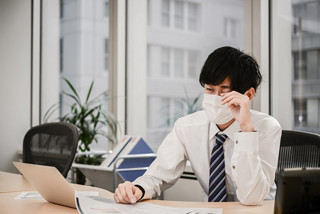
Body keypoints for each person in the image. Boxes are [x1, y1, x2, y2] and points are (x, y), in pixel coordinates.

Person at [113, 46, 282, 205]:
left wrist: (246, 130)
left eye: (224, 90)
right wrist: (138, 189)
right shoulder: (187, 127)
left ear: (248, 94)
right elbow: (158, 174)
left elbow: (252, 198)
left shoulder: (267, 127)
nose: (216, 97)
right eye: (209, 89)